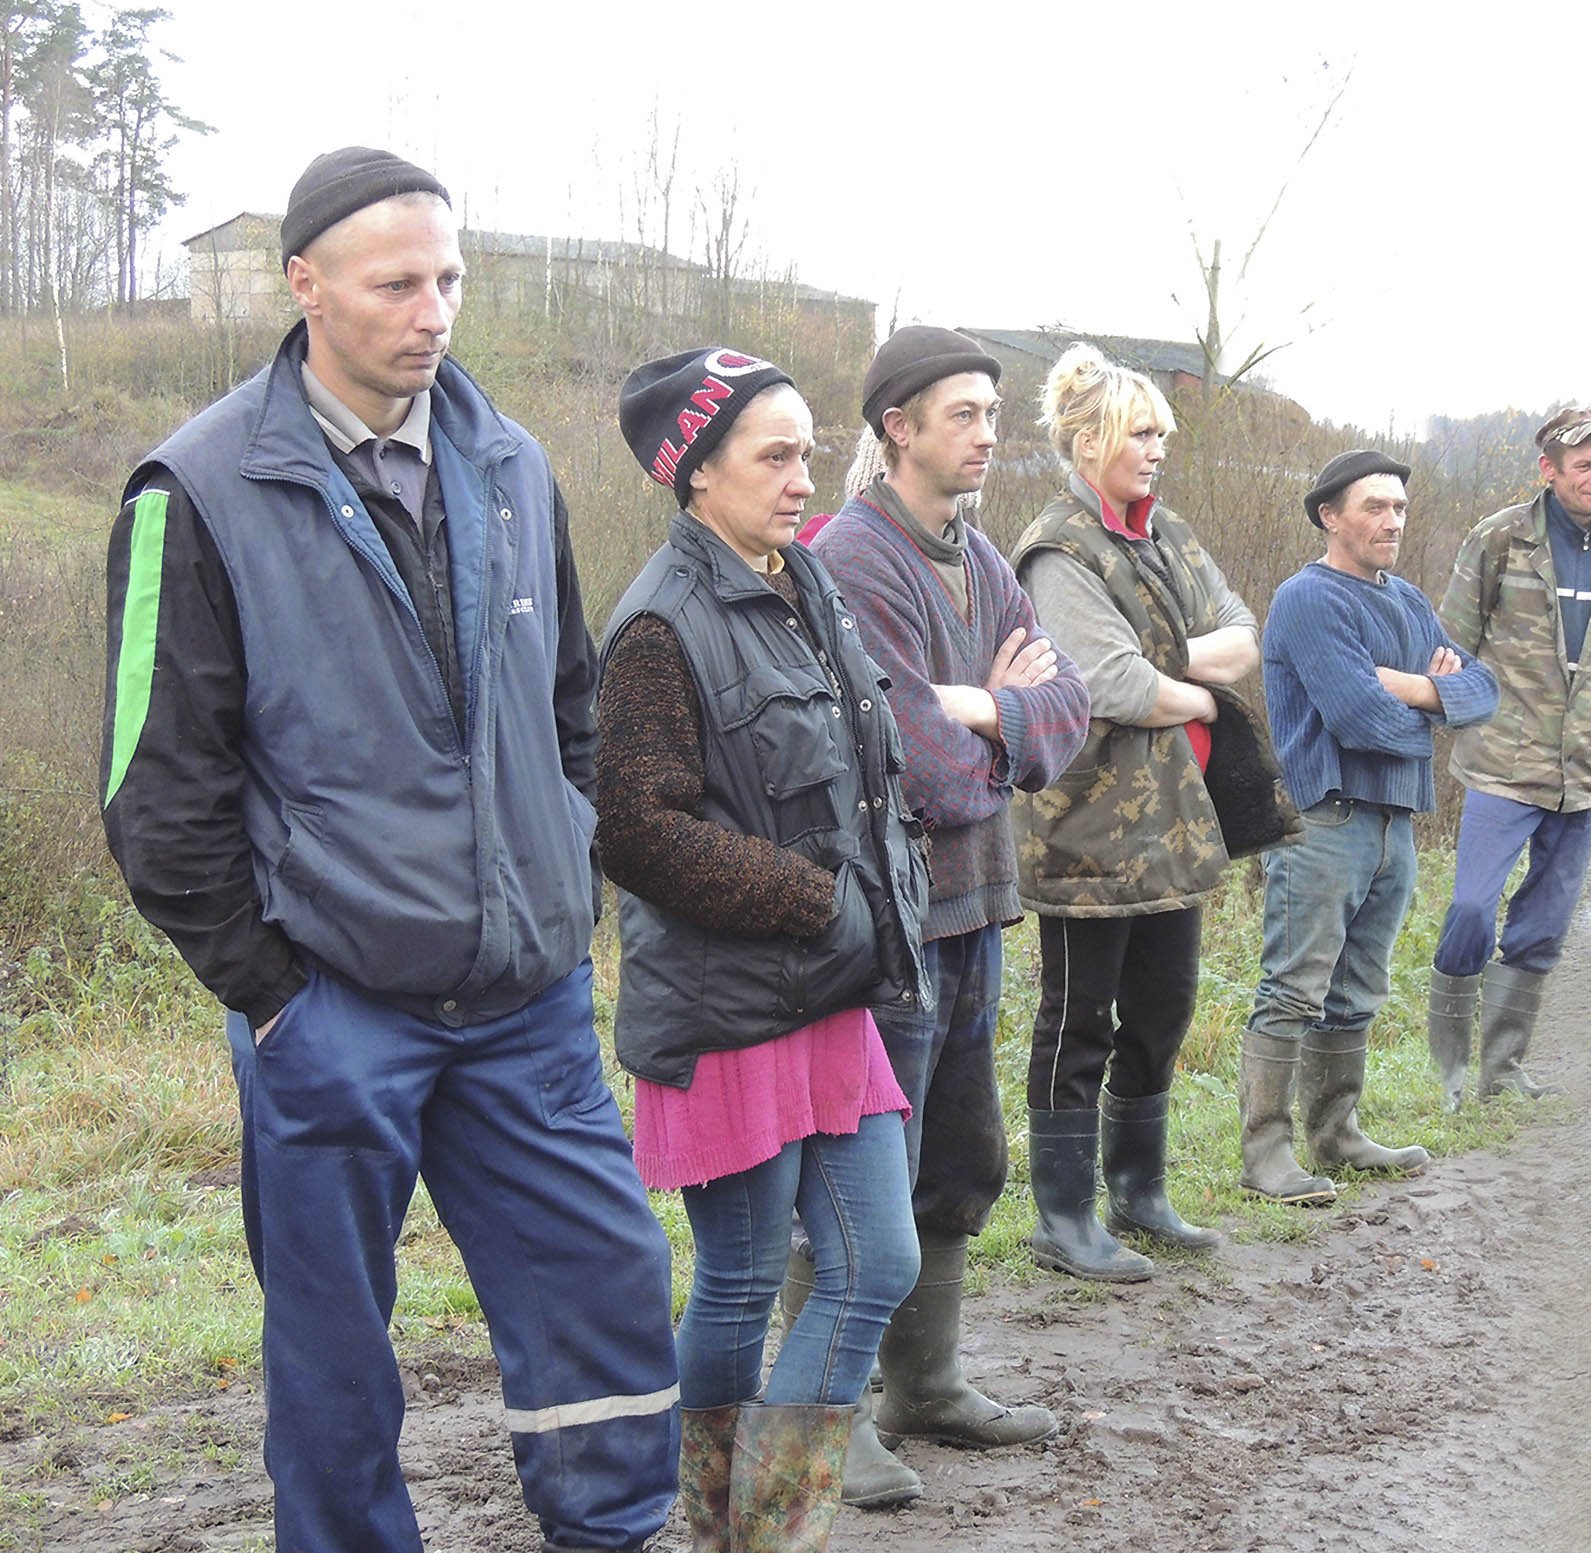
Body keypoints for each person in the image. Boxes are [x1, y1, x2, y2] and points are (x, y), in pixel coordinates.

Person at [97, 147, 676, 1553]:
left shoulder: (510, 464)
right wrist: (274, 990)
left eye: (451, 279)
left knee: (604, 1282)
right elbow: (152, 787)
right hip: (333, 1005)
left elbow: (573, 710)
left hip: (527, 998)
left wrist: (564, 876)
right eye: (397, 283)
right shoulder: (199, 488)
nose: (434, 312)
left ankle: (612, 1529)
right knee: (334, 1349)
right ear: (306, 286)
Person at [598, 346, 930, 1549]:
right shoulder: (657, 627)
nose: (802, 479)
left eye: (806, 452)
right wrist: (807, 899)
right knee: (739, 1278)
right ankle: (723, 1520)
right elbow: (635, 828)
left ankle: (764, 1525)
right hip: (733, 1006)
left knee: (875, 1260)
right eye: (773, 455)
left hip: (831, 992)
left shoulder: (802, 582)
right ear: (694, 471)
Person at [799, 325, 1091, 1503]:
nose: (986, 434)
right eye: (961, 413)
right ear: (897, 428)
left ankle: (926, 1382)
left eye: (990, 411)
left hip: (976, 907)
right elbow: (907, 761)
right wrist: (995, 732)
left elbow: (1065, 705)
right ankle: (831, 1407)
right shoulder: (854, 556)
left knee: (960, 1149)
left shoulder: (977, 554)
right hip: (890, 921)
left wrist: (1000, 724)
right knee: (867, 1166)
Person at [1010, 346, 1273, 1281]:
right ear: (1089, 442)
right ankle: (1062, 1214)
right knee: (1078, 1020)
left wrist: (1174, 665)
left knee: (1162, 1010)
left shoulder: (1165, 536)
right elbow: (1109, 682)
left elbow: (1245, 629)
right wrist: (1198, 695)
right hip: (1086, 830)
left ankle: (1140, 1189)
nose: (1159, 447)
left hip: (1174, 823)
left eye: (1164, 431)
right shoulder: (1058, 551)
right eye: (1141, 431)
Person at [1245, 451, 1499, 1201]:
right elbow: (1357, 719)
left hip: (1394, 822)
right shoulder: (1308, 599)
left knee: (1358, 989)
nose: (1391, 520)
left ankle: (1335, 1132)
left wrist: (1417, 687)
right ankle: (1266, 1152)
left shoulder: (1410, 601)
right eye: (1374, 507)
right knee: (1294, 986)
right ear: (1331, 515)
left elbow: (1482, 688)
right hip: (1323, 820)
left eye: (1398, 507)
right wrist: (1435, 702)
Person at [1428, 406, 1591, 1105]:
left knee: (1545, 924)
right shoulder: (1499, 539)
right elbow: (1450, 644)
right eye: (1584, 464)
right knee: (1470, 906)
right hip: (1503, 759)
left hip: (1584, 769)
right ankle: (1449, 1070)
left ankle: (1502, 1068)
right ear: (1548, 469)